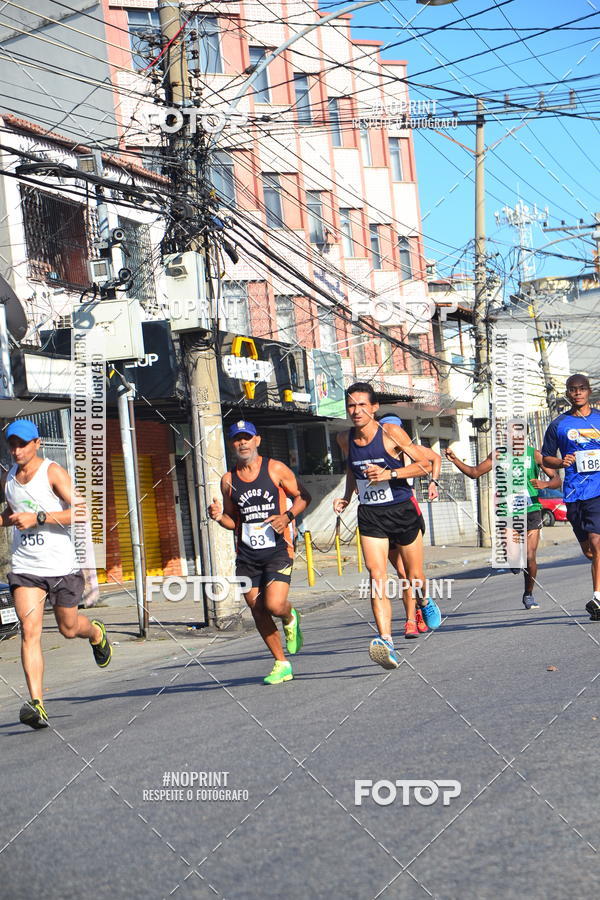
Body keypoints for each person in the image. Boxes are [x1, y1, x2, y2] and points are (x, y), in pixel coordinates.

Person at [1, 419, 111, 730]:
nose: (16, 449)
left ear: (37, 443)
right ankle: (37, 704)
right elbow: (10, 516)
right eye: (12, 443)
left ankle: (96, 633)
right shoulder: (8, 478)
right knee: (29, 631)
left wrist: (37, 517)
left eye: (23, 443)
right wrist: (6, 520)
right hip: (26, 568)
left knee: (68, 628)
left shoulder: (51, 472)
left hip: (61, 567)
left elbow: (81, 511)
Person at [333, 384, 442, 671]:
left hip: (402, 510)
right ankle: (385, 641)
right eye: (351, 406)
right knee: (376, 575)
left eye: (361, 406)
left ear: (373, 407)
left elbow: (423, 465)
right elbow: (351, 470)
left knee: (414, 576)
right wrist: (346, 497)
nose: (355, 411)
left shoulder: (391, 433)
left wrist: (389, 473)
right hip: (371, 514)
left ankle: (424, 600)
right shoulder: (344, 438)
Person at [209, 420, 311, 684]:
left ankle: (290, 616)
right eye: (236, 439)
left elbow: (304, 497)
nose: (242, 443)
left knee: (274, 605)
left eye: (247, 437)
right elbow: (234, 522)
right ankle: (281, 663)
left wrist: (287, 517)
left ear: (257, 440)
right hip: (247, 555)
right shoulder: (228, 480)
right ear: (232, 444)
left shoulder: (275, 469)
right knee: (258, 610)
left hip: (277, 549)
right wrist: (220, 517)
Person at [445, 438, 561, 609]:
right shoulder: (499, 454)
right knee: (513, 556)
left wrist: (545, 483)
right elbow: (474, 472)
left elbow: (557, 479)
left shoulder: (534, 455)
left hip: (531, 509)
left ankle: (528, 593)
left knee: (530, 557)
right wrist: (455, 460)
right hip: (508, 512)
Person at [542, 374, 600, 620]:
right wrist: (561, 461)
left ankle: (597, 598)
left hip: (598, 490)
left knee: (598, 543)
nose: (577, 393)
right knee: (589, 551)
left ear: (588, 391)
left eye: (582, 388)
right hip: (575, 493)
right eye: (572, 389)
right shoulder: (558, 424)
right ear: (567, 394)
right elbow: (546, 457)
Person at [379, 413, 442, 635]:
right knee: (402, 573)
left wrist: (433, 482)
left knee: (412, 573)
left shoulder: (411, 449)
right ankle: (412, 617)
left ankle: (417, 610)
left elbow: (435, 458)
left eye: (393, 429)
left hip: (408, 512)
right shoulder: (376, 450)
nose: (389, 433)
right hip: (381, 516)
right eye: (385, 428)